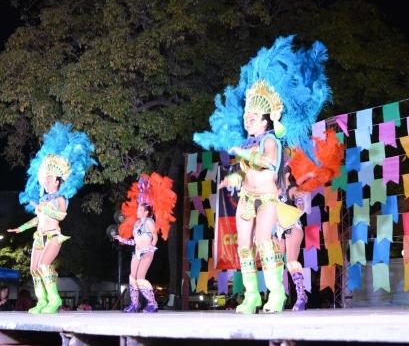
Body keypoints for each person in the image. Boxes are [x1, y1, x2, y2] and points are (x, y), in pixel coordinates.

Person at [194, 36, 331, 314]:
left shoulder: (271, 141)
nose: (247, 120)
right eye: (246, 116)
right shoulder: (247, 144)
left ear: (265, 119)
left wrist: (243, 155)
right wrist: (231, 178)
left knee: (263, 241)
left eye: (252, 116)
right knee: (244, 247)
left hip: (267, 199)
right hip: (246, 198)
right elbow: (245, 171)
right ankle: (252, 296)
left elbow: (268, 163)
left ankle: (277, 294)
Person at [8, 122, 96, 314]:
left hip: (53, 236)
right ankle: (42, 302)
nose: (46, 182)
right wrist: (21, 229)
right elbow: (37, 220)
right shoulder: (44, 198)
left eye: (50, 179)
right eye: (45, 179)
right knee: (34, 269)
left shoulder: (61, 197)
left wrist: (44, 208)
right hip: (39, 237)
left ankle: (54, 300)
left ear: (58, 181)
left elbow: (61, 216)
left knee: (44, 266)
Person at [280, 129, 344, 310]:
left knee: (291, 260)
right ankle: (277, 295)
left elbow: (300, 208)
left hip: (291, 225)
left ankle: (301, 296)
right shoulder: (269, 186)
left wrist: (312, 175)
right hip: (275, 228)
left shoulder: (294, 188)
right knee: (275, 262)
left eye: (285, 172)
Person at [114, 173, 176, 313]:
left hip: (147, 252)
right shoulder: (136, 224)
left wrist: (150, 249)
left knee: (141, 279)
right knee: (132, 278)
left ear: (147, 212)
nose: (137, 211)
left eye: (140, 209)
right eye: (138, 209)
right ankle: (134, 304)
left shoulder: (149, 222)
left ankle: (152, 304)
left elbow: (155, 237)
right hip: (136, 252)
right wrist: (122, 239)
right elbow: (134, 241)